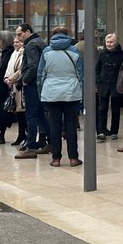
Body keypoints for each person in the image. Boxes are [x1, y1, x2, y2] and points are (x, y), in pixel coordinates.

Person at [37, 27, 82, 167]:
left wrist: (41, 93)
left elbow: (40, 75)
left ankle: (56, 159)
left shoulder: (46, 52)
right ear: (67, 35)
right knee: (71, 125)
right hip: (71, 91)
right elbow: (80, 74)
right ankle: (73, 158)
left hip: (51, 92)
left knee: (55, 125)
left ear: (53, 36)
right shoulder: (74, 51)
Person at [15, 23, 50, 157]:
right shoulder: (40, 42)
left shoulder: (30, 45)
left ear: (27, 31)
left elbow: (33, 66)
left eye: (20, 34)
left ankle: (30, 147)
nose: (19, 37)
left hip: (32, 84)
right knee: (40, 114)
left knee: (31, 115)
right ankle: (51, 142)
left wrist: (25, 80)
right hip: (40, 83)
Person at [95, 33, 123, 142]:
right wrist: (97, 82)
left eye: (111, 42)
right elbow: (96, 69)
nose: (109, 44)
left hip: (116, 84)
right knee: (102, 109)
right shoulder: (101, 54)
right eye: (107, 42)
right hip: (103, 84)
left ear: (115, 43)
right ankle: (101, 131)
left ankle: (114, 131)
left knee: (116, 109)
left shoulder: (121, 55)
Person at [3, 34, 26, 146]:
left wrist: (11, 79)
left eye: (17, 42)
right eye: (14, 42)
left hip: (19, 86)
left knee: (22, 112)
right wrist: (7, 78)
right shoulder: (14, 53)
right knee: (18, 112)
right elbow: (9, 68)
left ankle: (23, 135)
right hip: (12, 86)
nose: (15, 44)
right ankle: (20, 135)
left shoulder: (23, 54)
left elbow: (20, 70)